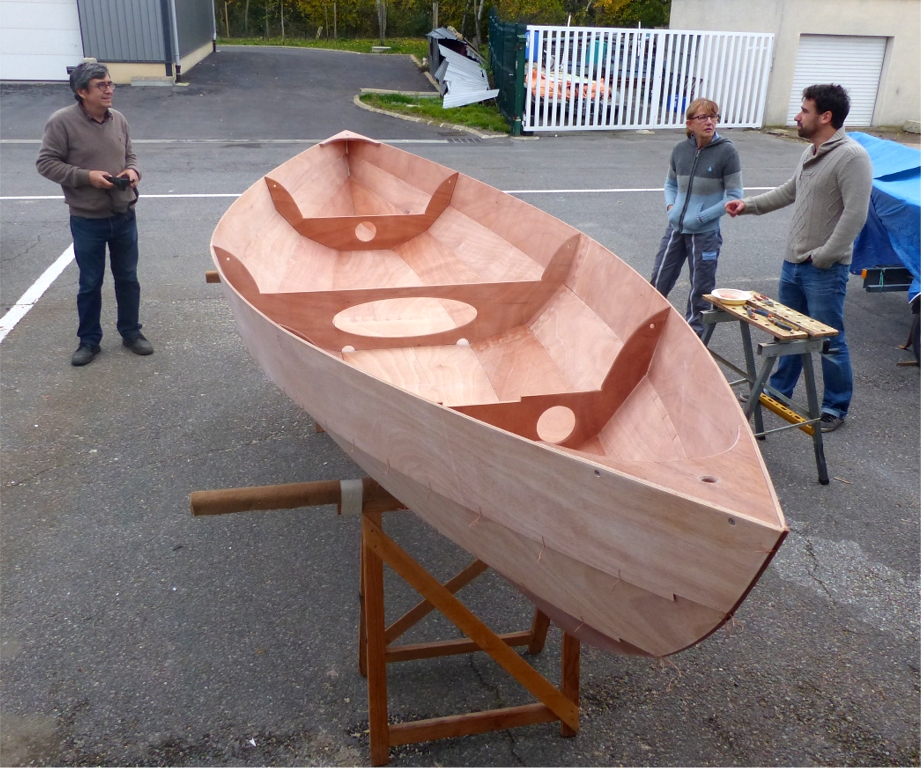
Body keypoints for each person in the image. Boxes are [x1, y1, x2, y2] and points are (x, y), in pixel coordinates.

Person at [725, 84, 872, 433]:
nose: (796, 116)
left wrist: (825, 257)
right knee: (787, 334)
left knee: (829, 342)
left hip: (823, 269)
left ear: (826, 116)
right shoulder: (811, 152)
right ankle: (778, 393)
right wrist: (748, 206)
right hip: (793, 264)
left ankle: (835, 407)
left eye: (804, 110)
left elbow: (856, 214)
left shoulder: (853, 157)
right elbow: (791, 191)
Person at [37, 61, 153, 366]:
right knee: (90, 283)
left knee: (128, 278)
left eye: (110, 84)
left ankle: (131, 332)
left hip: (124, 214)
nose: (109, 90)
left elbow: (131, 153)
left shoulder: (119, 119)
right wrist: (87, 177)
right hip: (87, 218)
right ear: (81, 91)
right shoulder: (61, 122)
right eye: (101, 85)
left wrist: (133, 170)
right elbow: (46, 163)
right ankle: (89, 341)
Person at [650, 97, 743, 336]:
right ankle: (649, 325)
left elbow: (734, 196)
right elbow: (670, 184)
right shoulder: (681, 150)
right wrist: (672, 207)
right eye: (703, 117)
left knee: (700, 290)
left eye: (713, 117)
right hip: (676, 228)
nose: (710, 122)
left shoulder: (727, 152)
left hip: (705, 234)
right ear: (690, 123)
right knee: (658, 280)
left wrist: (701, 218)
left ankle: (696, 339)